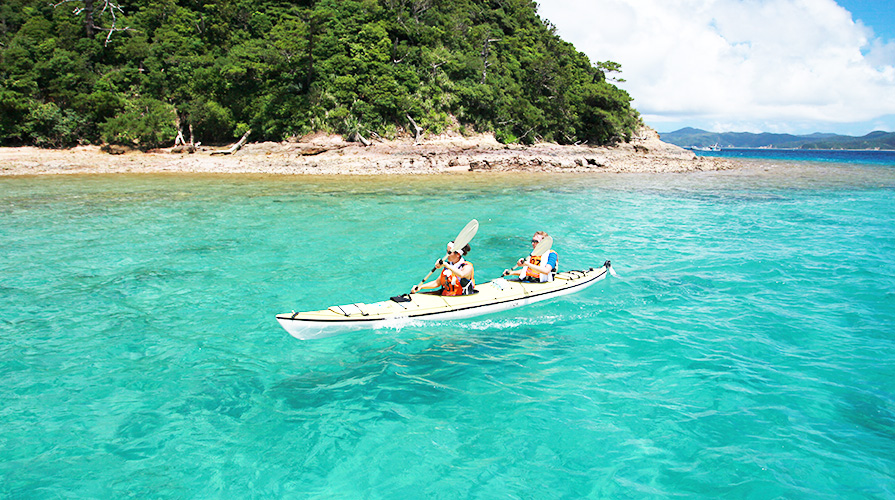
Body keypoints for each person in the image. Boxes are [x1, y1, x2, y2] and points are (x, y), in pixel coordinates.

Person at [411, 241, 475, 296]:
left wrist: (446, 265)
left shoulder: (467, 267)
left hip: (461, 298)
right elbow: (437, 282)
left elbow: (461, 274)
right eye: (447, 252)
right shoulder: (448, 266)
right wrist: (421, 287)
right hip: (447, 296)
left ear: (458, 254)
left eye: (449, 252)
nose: (446, 255)